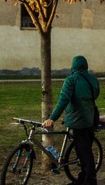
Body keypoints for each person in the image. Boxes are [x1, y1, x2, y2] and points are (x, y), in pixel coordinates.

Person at [43, 55, 100, 185]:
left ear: (73, 66)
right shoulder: (92, 79)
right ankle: (82, 178)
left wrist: (52, 118)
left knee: (84, 153)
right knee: (85, 150)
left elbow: (64, 99)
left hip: (78, 119)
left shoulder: (71, 80)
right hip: (90, 118)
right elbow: (95, 95)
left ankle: (90, 181)